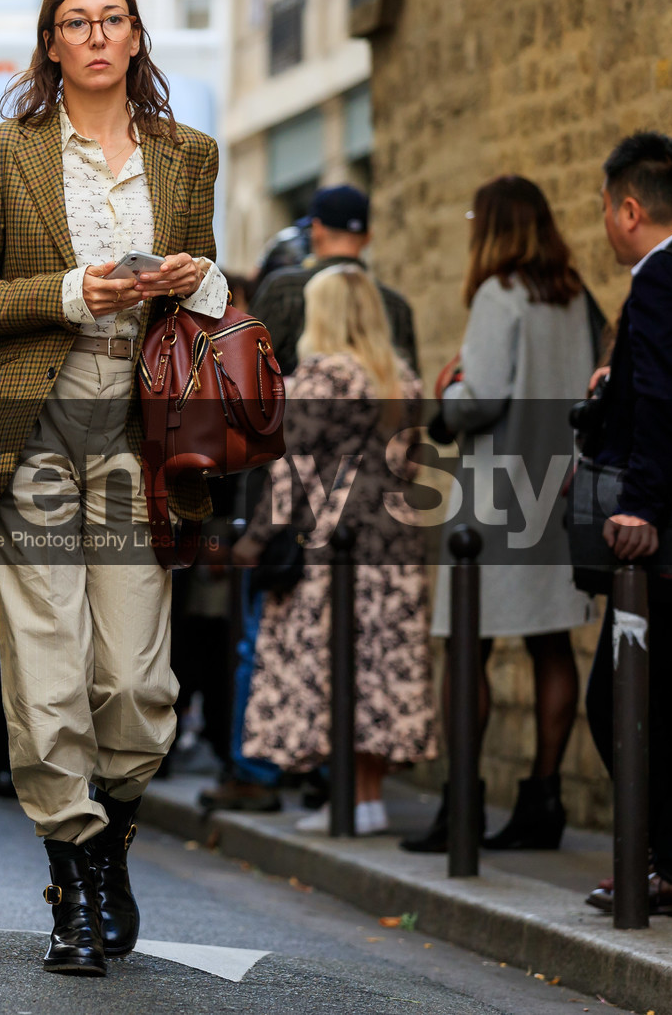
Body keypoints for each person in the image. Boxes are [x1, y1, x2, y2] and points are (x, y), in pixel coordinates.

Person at [0, 0, 226, 976]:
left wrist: (200, 277)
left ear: (137, 37)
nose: (96, 35)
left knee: (138, 683)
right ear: (50, 44)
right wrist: (73, 291)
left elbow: (207, 301)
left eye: (112, 19)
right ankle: (72, 877)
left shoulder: (188, 155)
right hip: (34, 440)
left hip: (143, 445)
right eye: (76, 22)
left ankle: (115, 839)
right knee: (49, 678)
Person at [402, 176, 597, 855]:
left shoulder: (497, 294)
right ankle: (545, 800)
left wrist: (447, 391)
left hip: (493, 498)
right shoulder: (576, 299)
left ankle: (461, 806)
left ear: (493, 228)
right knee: (551, 643)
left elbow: (478, 399)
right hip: (559, 491)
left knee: (466, 648)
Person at [233, 265, 436, 835]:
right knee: (375, 666)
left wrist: (253, 540)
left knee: (333, 663)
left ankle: (346, 797)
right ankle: (367, 797)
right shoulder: (402, 381)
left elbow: (288, 472)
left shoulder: (319, 380)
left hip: (332, 546)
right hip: (393, 543)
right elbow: (411, 465)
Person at [580, 132, 672, 916]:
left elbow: (669, 398)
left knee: (627, 697)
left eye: (604, 209)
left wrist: (641, 507)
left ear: (629, 208)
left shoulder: (661, 279)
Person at [249, 186, 418, 376]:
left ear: (317, 230)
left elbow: (247, 364)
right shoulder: (397, 306)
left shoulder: (282, 289)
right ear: (368, 237)